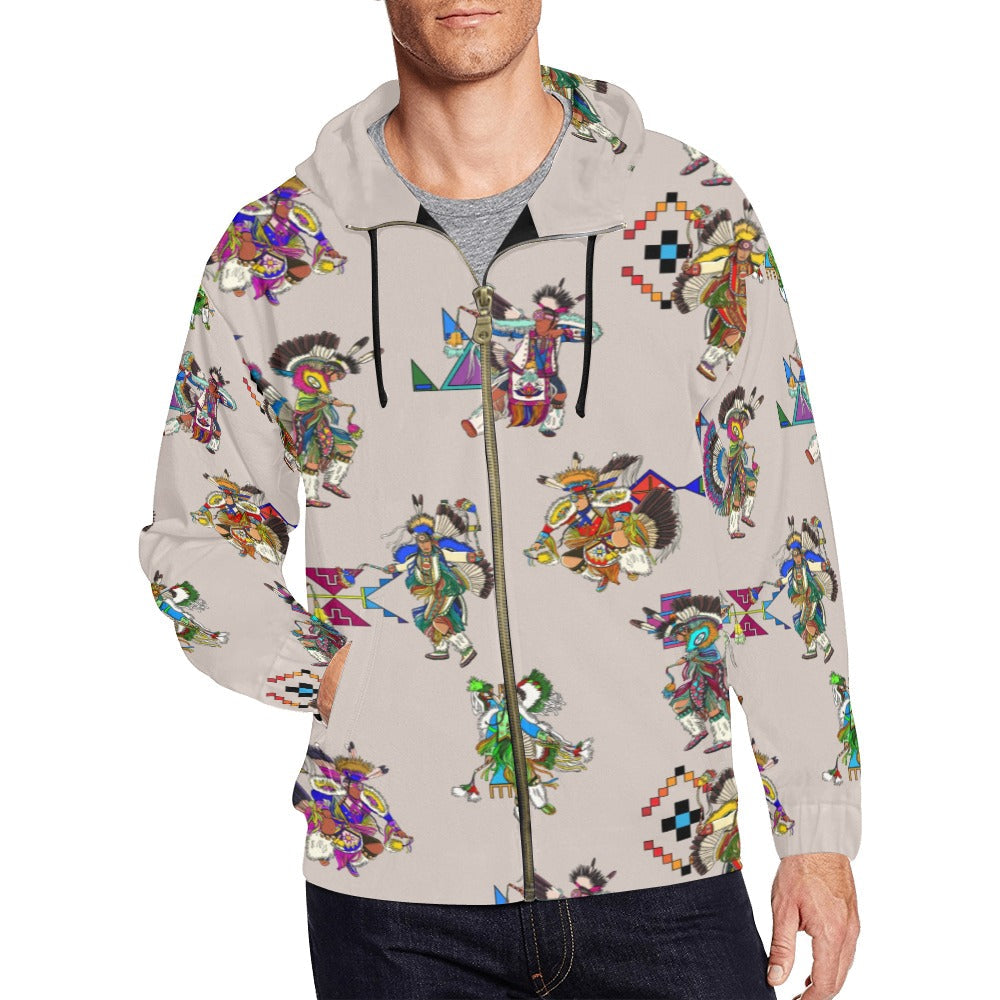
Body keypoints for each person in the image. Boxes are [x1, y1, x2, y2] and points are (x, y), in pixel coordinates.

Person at [138, 2, 862, 997]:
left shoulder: (689, 217)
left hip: (666, 869)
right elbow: (197, 538)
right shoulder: (279, 251)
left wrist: (815, 825)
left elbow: (777, 532)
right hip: (393, 894)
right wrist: (341, 676)